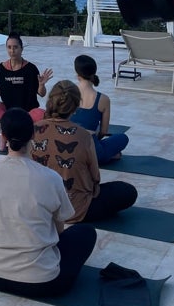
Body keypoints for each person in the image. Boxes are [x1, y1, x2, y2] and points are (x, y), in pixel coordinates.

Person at [0, 107, 97, 298]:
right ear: (33, 135)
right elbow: (59, 230)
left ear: (3, 136)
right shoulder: (50, 177)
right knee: (86, 233)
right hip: (40, 283)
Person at [33, 80, 138, 223]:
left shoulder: (32, 129)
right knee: (127, 192)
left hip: (38, 206)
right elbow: (95, 178)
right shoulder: (84, 135)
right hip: (74, 208)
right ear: (76, 107)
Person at [0, 32, 53, 122]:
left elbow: (41, 94)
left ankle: (10, 119)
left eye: (15, 47)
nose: (12, 51)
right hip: (7, 109)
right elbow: (1, 87)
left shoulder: (30, 68)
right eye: (9, 47)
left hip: (27, 111)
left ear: (21, 49)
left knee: (43, 115)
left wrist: (41, 85)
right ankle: (10, 118)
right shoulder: (2, 67)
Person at [70, 55, 129, 164]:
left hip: (68, 147)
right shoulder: (103, 99)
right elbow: (103, 132)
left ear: (77, 73)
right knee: (122, 138)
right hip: (92, 150)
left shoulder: (67, 93)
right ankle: (105, 155)